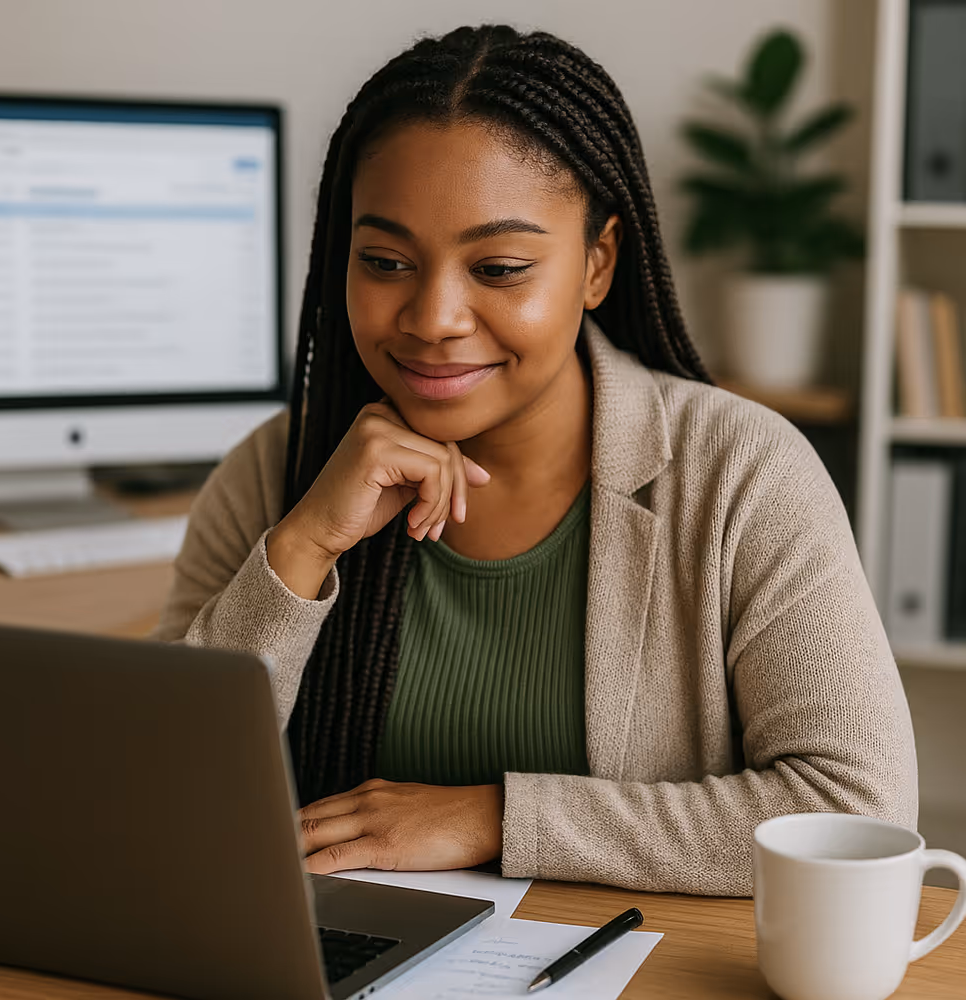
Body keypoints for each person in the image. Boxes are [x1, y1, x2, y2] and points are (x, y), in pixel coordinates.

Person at [156, 24, 917, 896]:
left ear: (596, 265)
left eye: (501, 267)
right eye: (384, 261)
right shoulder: (276, 473)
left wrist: (495, 818)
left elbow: (860, 809)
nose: (434, 315)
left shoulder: (742, 474)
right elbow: (154, 799)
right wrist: (297, 556)